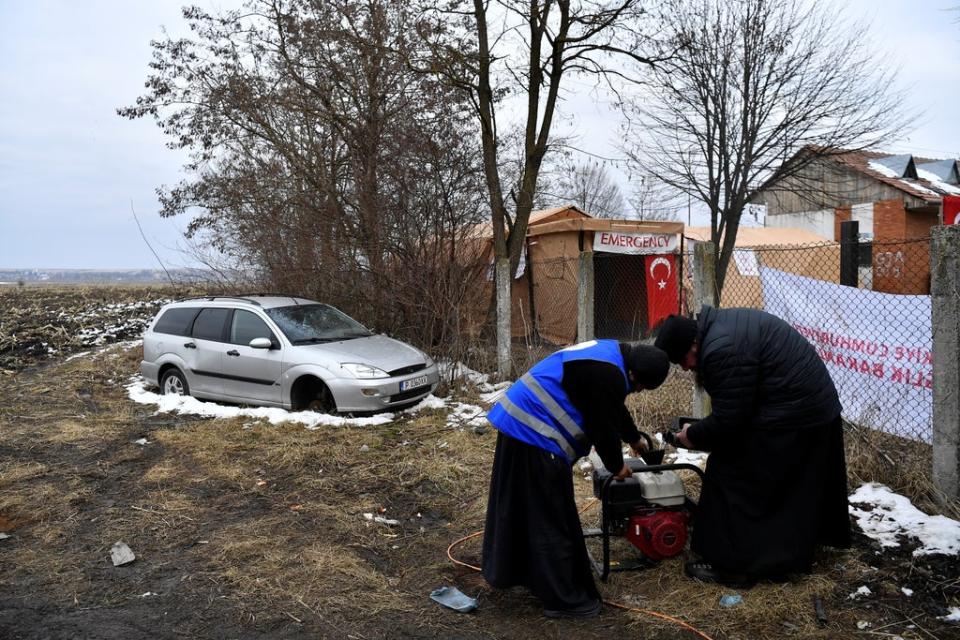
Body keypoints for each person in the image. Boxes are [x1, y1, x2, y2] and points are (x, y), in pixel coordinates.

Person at [654, 307, 850, 588]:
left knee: (731, 473)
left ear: (692, 345)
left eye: (682, 361)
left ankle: (734, 567)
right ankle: (781, 551)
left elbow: (729, 421)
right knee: (778, 482)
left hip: (796, 414)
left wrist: (693, 435)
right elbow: (738, 406)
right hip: (806, 408)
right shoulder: (718, 329)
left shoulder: (721, 349)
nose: (686, 368)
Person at [481, 339, 670, 618]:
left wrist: (633, 437)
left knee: (523, 508)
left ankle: (516, 572)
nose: (637, 391)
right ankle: (563, 598)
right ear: (633, 376)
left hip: (519, 422)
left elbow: (611, 405)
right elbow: (602, 425)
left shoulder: (612, 355)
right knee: (550, 518)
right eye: (640, 387)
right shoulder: (608, 374)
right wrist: (617, 467)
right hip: (534, 432)